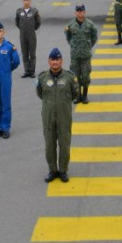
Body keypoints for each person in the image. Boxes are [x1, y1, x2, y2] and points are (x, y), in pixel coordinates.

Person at [37, 47, 79, 183]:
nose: (55, 62)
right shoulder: (42, 77)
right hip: (48, 117)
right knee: (49, 144)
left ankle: (63, 170)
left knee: (64, 144)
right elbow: (40, 93)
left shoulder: (70, 77)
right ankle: (52, 170)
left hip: (64, 116)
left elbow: (75, 93)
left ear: (61, 61)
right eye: (52, 60)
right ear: (49, 61)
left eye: (57, 59)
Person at [64, 4, 98, 104]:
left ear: (84, 12)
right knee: (75, 76)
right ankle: (77, 96)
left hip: (86, 55)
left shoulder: (90, 24)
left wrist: (89, 45)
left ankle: (85, 95)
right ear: (75, 12)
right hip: (75, 55)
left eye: (81, 11)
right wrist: (73, 45)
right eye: (78, 11)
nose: (79, 13)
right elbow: (68, 37)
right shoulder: (70, 25)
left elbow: (94, 36)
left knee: (85, 75)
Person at [15, 0, 41, 78]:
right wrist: (23, 29)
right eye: (25, 0)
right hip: (22, 36)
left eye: (28, 0)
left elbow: (38, 22)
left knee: (32, 54)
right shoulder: (19, 12)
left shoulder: (34, 11)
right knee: (24, 53)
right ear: (23, 1)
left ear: (30, 1)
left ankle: (32, 71)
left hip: (32, 35)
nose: (26, 2)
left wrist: (33, 29)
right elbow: (17, 23)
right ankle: (27, 71)